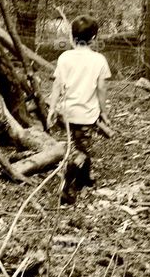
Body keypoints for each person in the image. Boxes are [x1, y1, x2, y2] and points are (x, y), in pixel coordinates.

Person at [47, 15, 112, 205]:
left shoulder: (64, 57)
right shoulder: (99, 60)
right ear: (94, 38)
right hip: (86, 115)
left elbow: (57, 85)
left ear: (72, 36)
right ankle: (66, 187)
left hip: (66, 113)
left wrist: (52, 108)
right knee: (82, 151)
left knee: (74, 145)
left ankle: (84, 178)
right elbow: (101, 89)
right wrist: (104, 111)